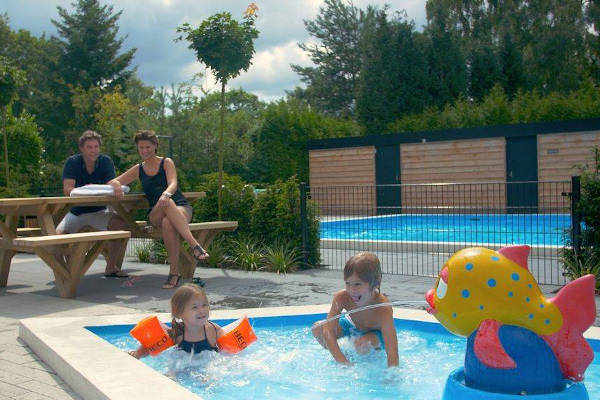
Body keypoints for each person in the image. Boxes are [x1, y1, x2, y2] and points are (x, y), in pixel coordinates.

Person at [108, 130, 209, 289]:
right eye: (141, 148)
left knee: (169, 222)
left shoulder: (166, 162)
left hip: (180, 206)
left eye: (148, 147)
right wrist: (115, 185)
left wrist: (166, 194)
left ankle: (174, 274)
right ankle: (195, 245)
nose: (144, 151)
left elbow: (173, 183)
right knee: (166, 207)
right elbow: (113, 181)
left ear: (155, 146)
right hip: (156, 212)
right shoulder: (138, 169)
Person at [57, 130, 129, 278]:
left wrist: (116, 184)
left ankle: (111, 267)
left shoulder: (106, 161)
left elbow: (111, 181)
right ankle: (70, 270)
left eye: (96, 146)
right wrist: (87, 190)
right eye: (89, 147)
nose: (93, 150)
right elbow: (67, 189)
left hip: (98, 211)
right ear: (82, 148)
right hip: (76, 212)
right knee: (59, 236)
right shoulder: (72, 162)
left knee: (121, 226)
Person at [312, 252, 399, 367]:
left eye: (357, 284)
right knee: (317, 328)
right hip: (353, 326)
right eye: (348, 283)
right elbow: (328, 330)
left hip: (376, 336)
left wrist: (391, 377)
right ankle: (345, 355)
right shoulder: (342, 297)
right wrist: (343, 361)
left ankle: (369, 362)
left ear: (375, 283)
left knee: (363, 344)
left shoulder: (383, 308)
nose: (351, 290)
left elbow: (392, 348)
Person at [130, 283, 224, 358]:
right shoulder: (177, 333)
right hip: (182, 367)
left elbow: (227, 352)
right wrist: (137, 354)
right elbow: (151, 347)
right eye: (194, 307)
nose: (201, 311)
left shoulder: (214, 330)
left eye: (204, 305)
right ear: (179, 313)